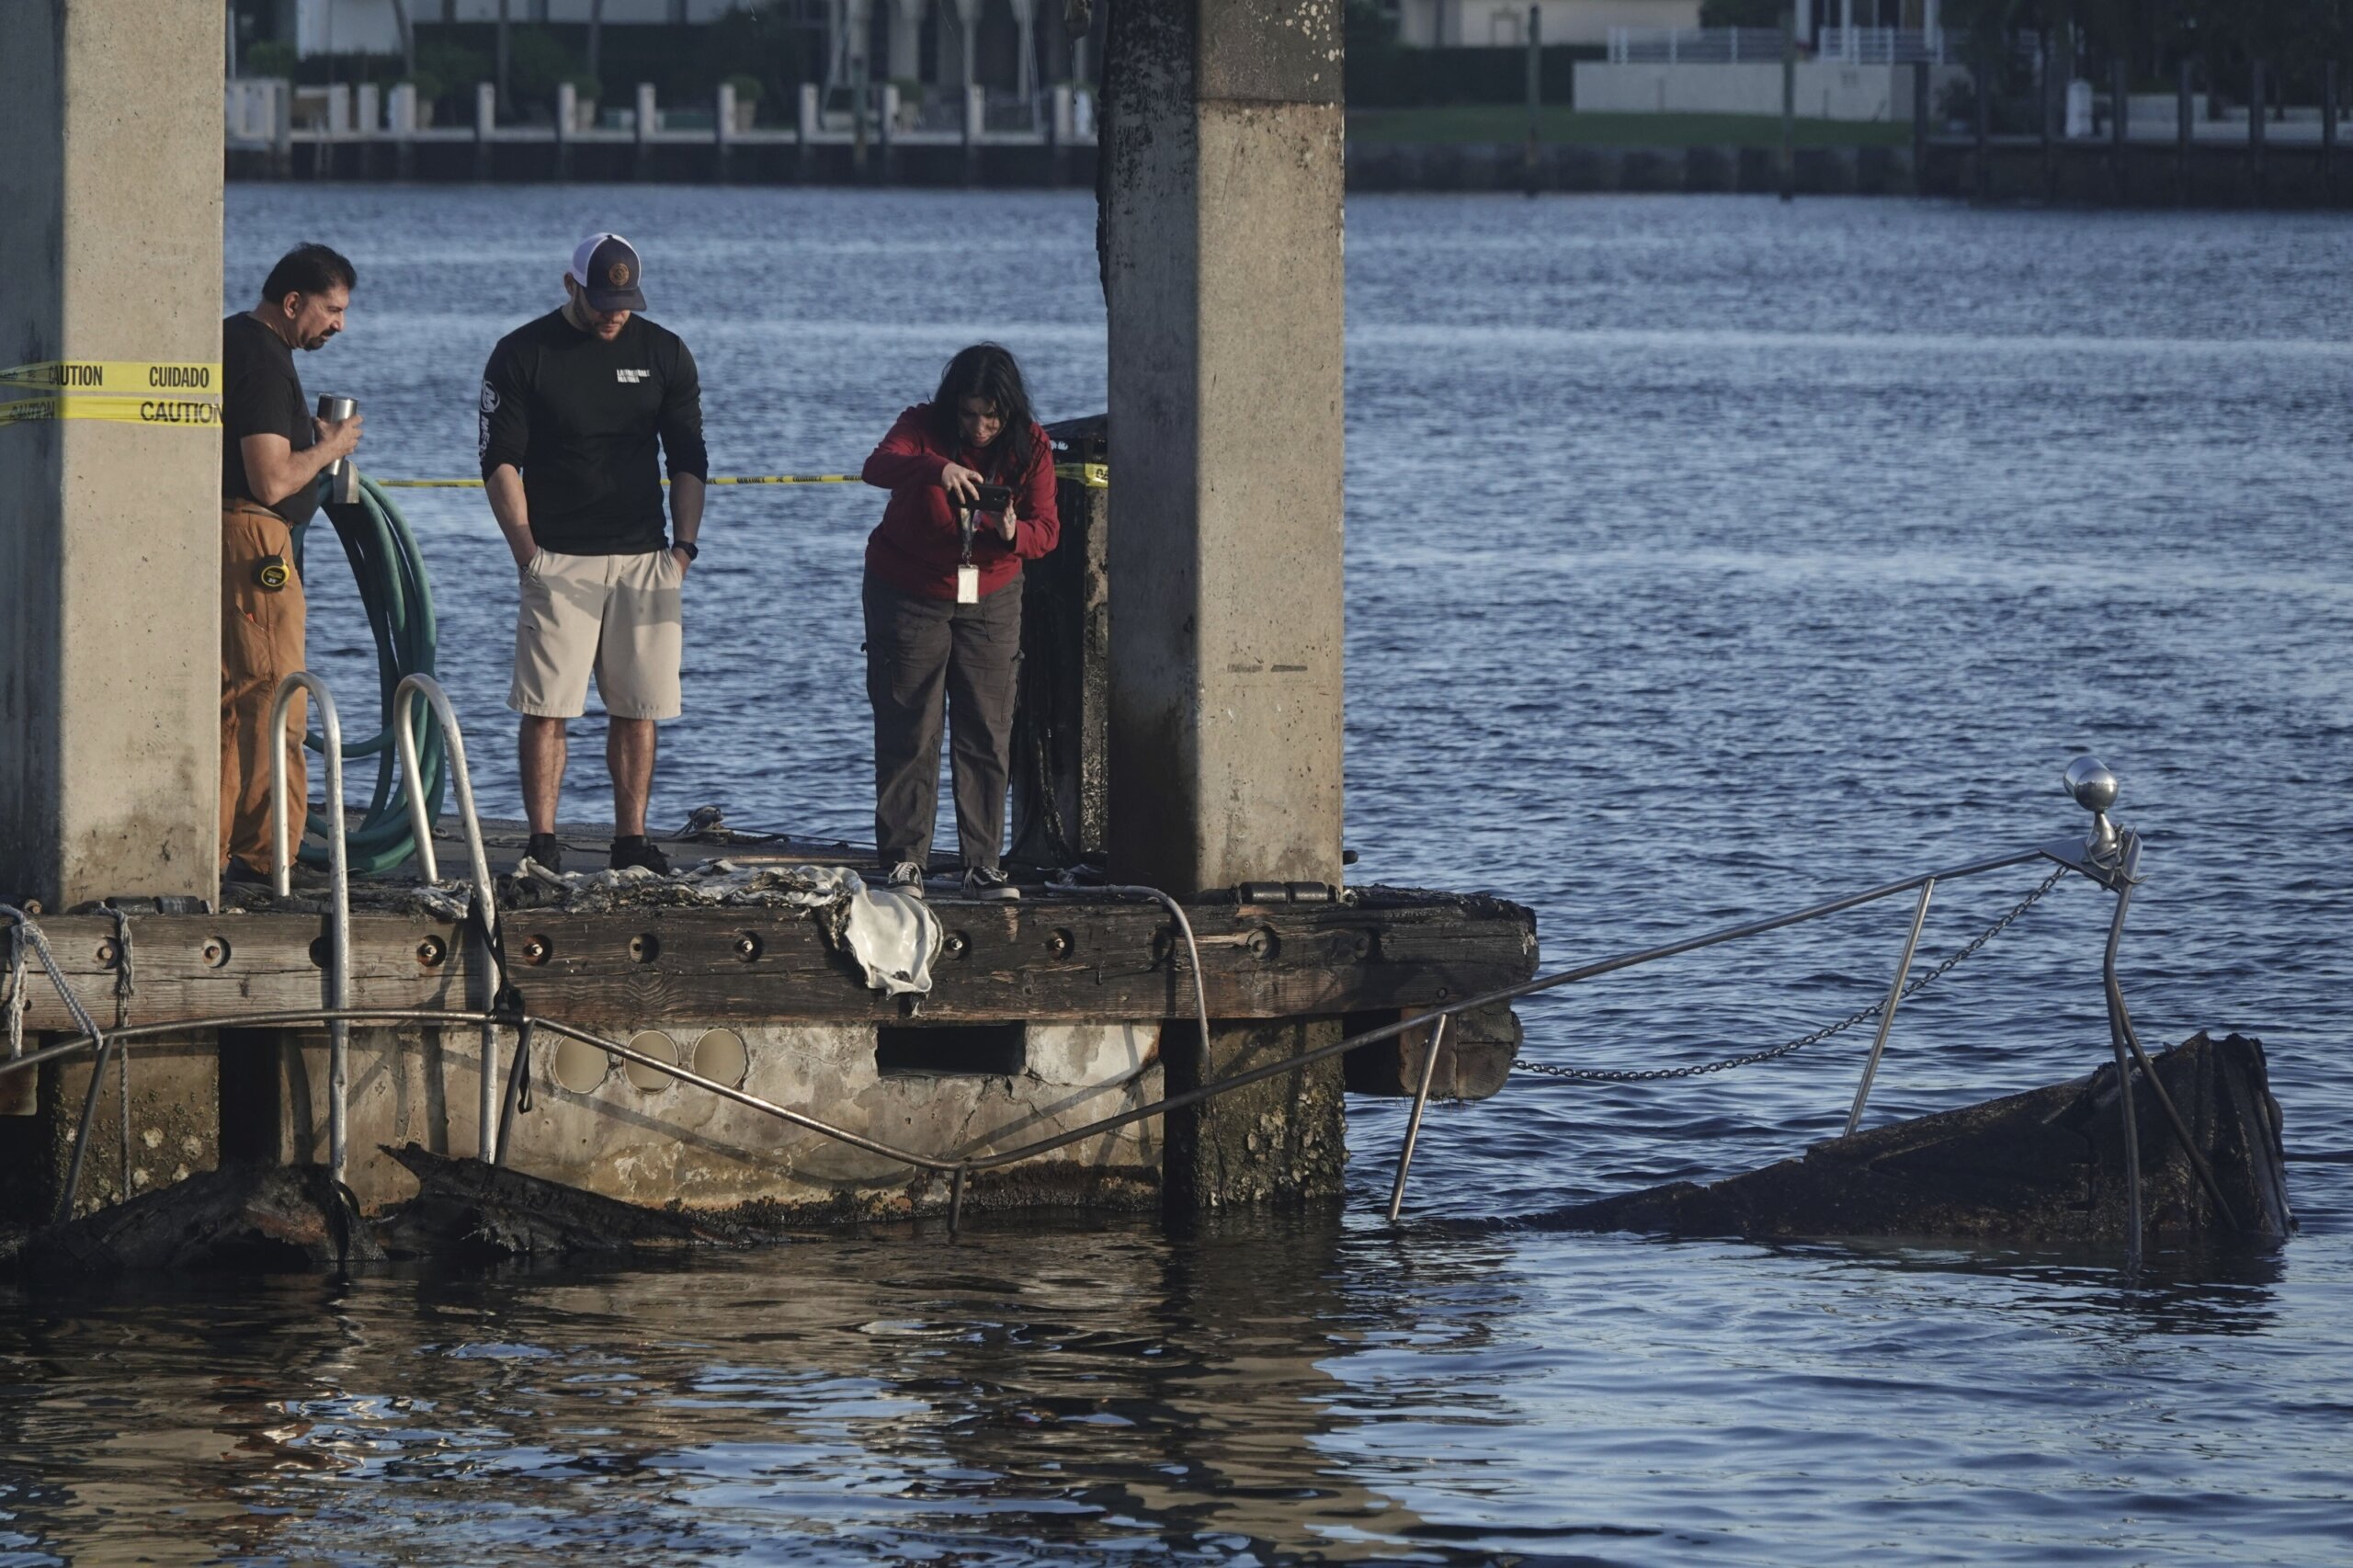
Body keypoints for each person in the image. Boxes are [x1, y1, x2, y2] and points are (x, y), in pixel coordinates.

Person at [479, 233, 707, 874]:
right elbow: (499, 461)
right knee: (547, 706)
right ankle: (542, 844)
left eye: (625, 300)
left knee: (639, 708)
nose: (614, 313)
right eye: (603, 299)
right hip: (557, 555)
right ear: (570, 285)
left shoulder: (664, 352)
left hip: (646, 557)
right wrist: (529, 556)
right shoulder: (522, 353)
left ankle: (631, 842)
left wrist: (683, 550)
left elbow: (689, 457)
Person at [859, 344, 1060, 900]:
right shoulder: (921, 425)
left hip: (991, 595)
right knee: (910, 725)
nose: (979, 427)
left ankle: (982, 862)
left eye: (992, 417)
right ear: (953, 405)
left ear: (1010, 411)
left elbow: (1048, 532)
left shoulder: (1033, 445)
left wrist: (1012, 530)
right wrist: (936, 469)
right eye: (969, 414)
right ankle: (904, 860)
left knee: (987, 729)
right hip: (907, 589)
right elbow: (876, 467)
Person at [220, 243, 363, 886]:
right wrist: (330, 447)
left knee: (231, 698)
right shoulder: (264, 359)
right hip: (255, 541)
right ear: (293, 302)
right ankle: (268, 854)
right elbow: (271, 479)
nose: (339, 324)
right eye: (331, 310)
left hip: (222, 537)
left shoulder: (233, 342)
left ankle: (222, 845)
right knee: (277, 695)